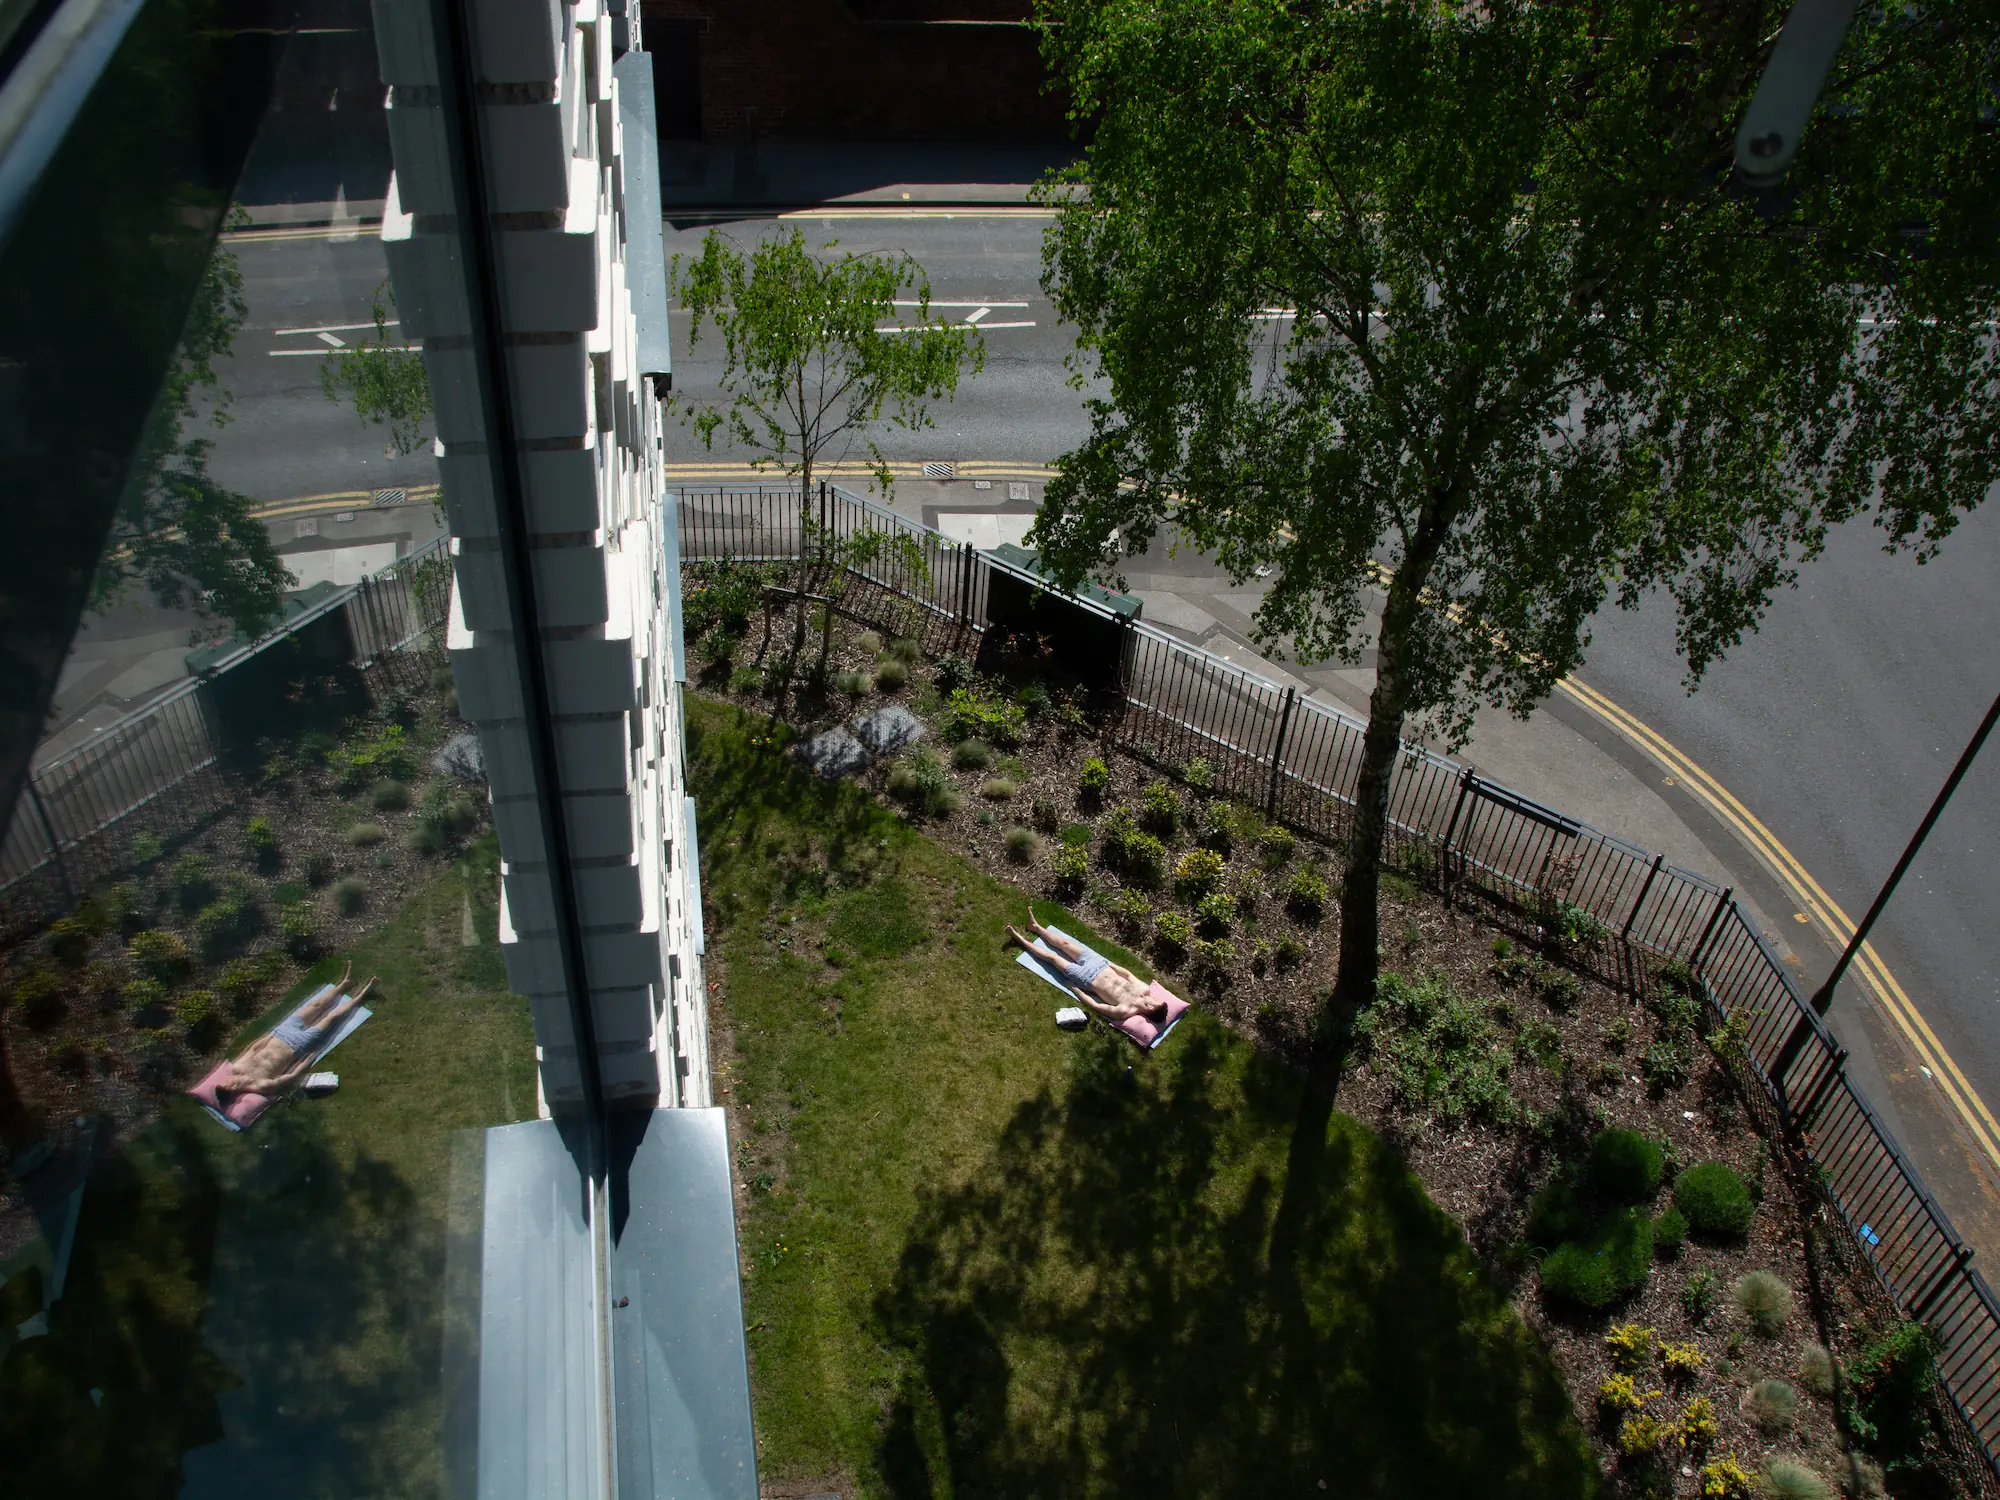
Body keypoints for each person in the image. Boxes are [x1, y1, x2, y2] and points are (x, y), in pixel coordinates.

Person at [218, 961, 375, 1100]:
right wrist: (306, 1061)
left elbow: (252, 1048)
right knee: (332, 1018)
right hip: (297, 1046)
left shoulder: (237, 1067)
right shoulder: (260, 1086)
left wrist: (271, 1034)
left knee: (316, 1006)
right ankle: (363, 993)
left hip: (281, 1034)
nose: (227, 1078)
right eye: (226, 1083)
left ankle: (345, 983)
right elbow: (290, 1076)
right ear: (231, 1088)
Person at [1005, 911, 1178, 1027]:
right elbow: (1127, 973)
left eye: (1156, 1001)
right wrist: (1108, 964)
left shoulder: (1125, 1011)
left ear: (1150, 1009)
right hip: (1099, 965)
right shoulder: (1144, 989)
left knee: (1053, 958)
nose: (1155, 997)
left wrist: (1075, 990)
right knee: (1065, 944)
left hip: (1086, 979)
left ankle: (1019, 939)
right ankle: (1035, 927)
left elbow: (1095, 1005)